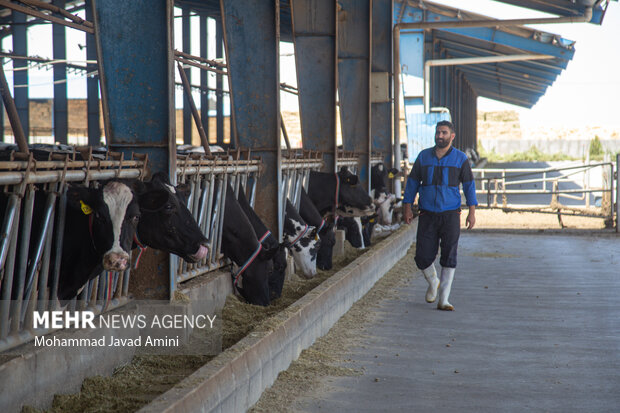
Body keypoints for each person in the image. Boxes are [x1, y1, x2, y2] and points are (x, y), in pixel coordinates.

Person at [403, 120, 477, 311]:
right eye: (438, 132)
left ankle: (443, 299)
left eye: (444, 133)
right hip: (427, 213)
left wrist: (472, 212)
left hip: (451, 213)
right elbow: (412, 183)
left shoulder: (460, 159)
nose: (440, 136)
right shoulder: (423, 157)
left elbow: (469, 185)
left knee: (449, 253)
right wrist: (407, 206)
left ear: (452, 136)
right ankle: (433, 280)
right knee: (422, 256)